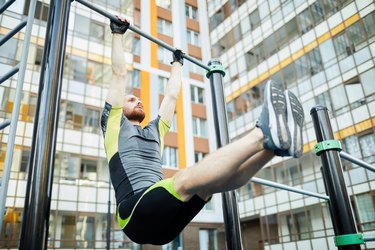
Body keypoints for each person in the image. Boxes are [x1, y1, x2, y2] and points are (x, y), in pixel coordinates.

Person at [101, 17, 305, 245]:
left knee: (209, 187)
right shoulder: (113, 125)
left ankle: (274, 148)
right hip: (134, 214)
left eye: (138, 99)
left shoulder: (155, 131)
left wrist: (177, 63)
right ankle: (262, 134)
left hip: (163, 224)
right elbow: (119, 74)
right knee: (185, 179)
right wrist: (118, 34)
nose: (137, 101)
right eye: (131, 99)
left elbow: (171, 96)